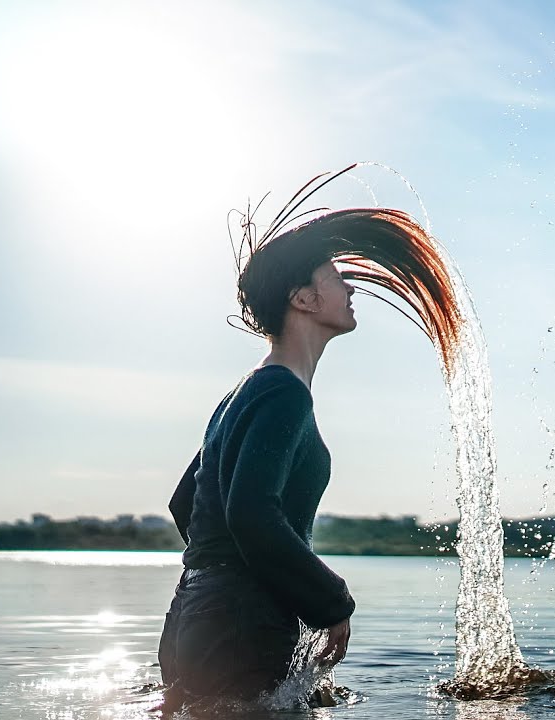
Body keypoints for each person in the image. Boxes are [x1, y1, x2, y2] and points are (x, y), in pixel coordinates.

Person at [157, 174, 463, 702]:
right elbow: (250, 513)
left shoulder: (243, 392)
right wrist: (330, 601)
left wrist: (218, 577)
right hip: (240, 623)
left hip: (193, 616)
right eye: (337, 278)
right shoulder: (284, 394)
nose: (351, 288)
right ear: (302, 298)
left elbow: (186, 504)